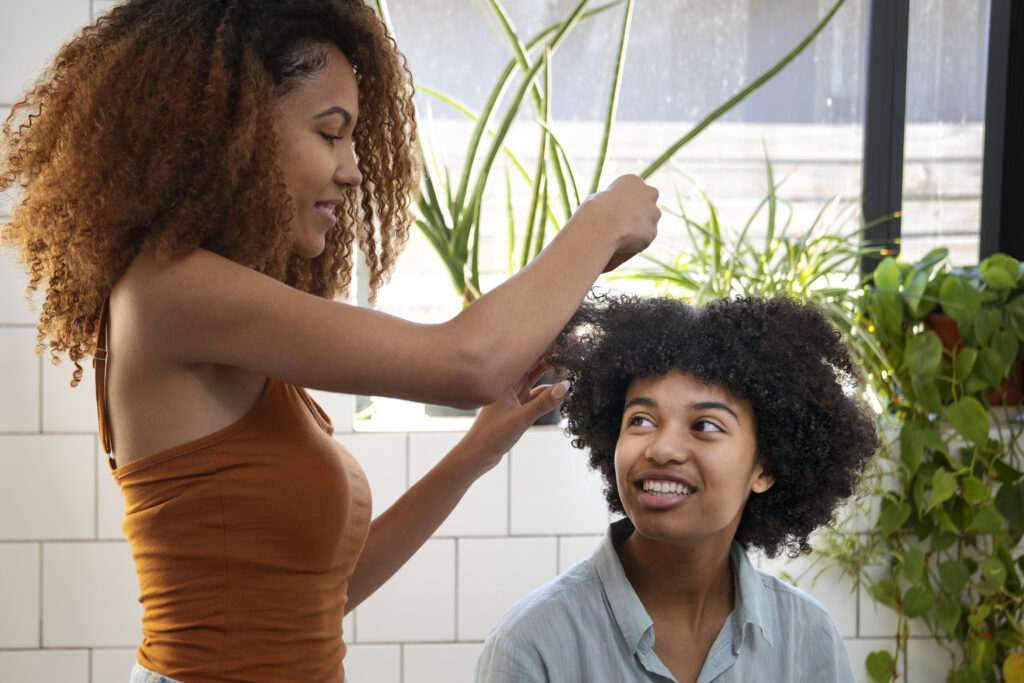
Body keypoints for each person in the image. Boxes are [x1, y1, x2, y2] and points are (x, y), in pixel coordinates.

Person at [0, 1, 660, 682]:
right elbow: (469, 360)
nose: (353, 170)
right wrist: (601, 221)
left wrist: (475, 450)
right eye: (330, 134)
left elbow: (318, 597)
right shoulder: (174, 290)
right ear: (239, 128)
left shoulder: (216, 314)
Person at [475, 294, 880, 683]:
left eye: (705, 426)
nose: (662, 448)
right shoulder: (532, 646)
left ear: (765, 467)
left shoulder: (807, 639)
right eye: (641, 420)